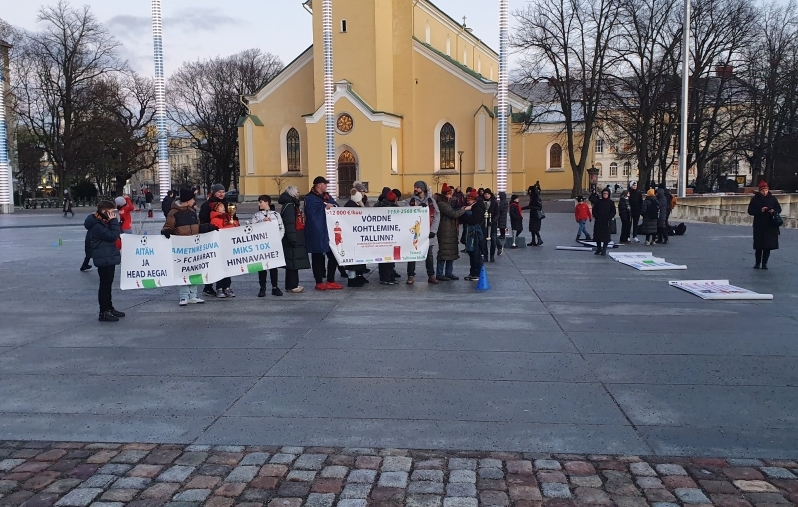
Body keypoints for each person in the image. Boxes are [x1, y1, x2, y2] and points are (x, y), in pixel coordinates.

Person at [161, 188, 206, 306]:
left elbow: (198, 226)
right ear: (187, 200)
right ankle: (184, 296)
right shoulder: (173, 213)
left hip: (194, 246)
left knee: (195, 270)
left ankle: (193, 295)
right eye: (193, 199)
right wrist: (166, 231)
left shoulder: (192, 212)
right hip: (181, 247)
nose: (194, 202)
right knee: (183, 271)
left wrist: (209, 228)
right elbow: (168, 226)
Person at [84, 200, 124, 322]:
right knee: (105, 285)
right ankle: (104, 311)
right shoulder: (97, 225)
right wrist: (114, 222)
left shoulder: (102, 222)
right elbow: (113, 235)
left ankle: (109, 308)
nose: (113, 214)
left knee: (108, 284)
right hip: (103, 257)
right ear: (103, 211)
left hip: (108, 256)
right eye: (110, 212)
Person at [305, 176, 344, 291]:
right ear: (318, 185)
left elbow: (336, 206)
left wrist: (330, 206)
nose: (326, 186)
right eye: (325, 184)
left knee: (333, 255)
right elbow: (311, 212)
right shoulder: (310, 198)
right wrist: (324, 207)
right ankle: (319, 282)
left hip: (328, 232)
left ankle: (330, 280)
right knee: (317, 256)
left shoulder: (326, 196)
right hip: (316, 231)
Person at [406, 181, 441, 284]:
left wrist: (433, 231)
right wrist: (416, 208)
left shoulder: (431, 201)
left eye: (417, 187)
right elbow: (404, 213)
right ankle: (410, 275)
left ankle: (431, 275)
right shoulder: (410, 201)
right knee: (412, 254)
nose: (415, 189)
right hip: (415, 234)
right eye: (414, 187)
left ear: (423, 189)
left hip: (428, 234)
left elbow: (436, 216)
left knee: (429, 255)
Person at [251, 195, 285, 297]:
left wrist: (277, 240)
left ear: (267, 202)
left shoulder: (276, 215)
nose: (259, 204)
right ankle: (262, 287)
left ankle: (275, 287)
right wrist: (262, 222)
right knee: (261, 267)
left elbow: (281, 228)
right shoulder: (257, 215)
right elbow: (252, 228)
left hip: (273, 244)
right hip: (261, 245)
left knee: (273, 266)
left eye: (261, 202)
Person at [278, 186, 310, 292]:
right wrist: (293, 238)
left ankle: (292, 285)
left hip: (295, 235)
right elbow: (289, 223)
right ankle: (292, 285)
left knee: (293, 262)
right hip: (293, 236)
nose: (298, 193)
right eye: (297, 192)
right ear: (293, 193)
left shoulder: (290, 205)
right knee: (292, 262)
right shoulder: (290, 206)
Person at [435, 184, 467, 281]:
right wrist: (464, 210)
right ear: (446, 195)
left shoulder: (446, 203)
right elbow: (453, 214)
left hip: (450, 230)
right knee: (443, 252)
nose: (451, 196)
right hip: (445, 231)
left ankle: (449, 273)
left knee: (451, 252)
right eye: (450, 194)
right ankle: (440, 273)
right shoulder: (441, 204)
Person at [200, 184, 228, 297]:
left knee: (225, 263)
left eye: (223, 192)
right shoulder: (207, 205)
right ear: (214, 193)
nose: (221, 194)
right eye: (219, 192)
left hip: (225, 238)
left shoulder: (227, 204)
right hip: (211, 238)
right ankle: (210, 286)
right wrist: (211, 228)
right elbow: (202, 222)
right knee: (212, 263)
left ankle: (225, 286)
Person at [748, 180, 781, 270]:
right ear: (759, 190)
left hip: (770, 225)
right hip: (759, 225)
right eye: (763, 190)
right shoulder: (755, 199)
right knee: (759, 246)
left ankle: (764, 264)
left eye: (766, 190)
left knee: (768, 246)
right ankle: (757, 263)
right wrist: (760, 211)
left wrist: (773, 211)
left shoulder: (772, 198)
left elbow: (778, 208)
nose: (764, 192)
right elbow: (750, 211)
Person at [210, 201, 239, 298]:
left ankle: (227, 287)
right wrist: (231, 226)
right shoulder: (214, 219)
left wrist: (234, 222)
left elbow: (236, 229)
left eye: (223, 206)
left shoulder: (228, 217)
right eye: (221, 206)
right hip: (220, 246)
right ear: (216, 209)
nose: (223, 208)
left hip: (228, 245)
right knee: (220, 267)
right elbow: (220, 231)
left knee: (228, 267)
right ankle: (219, 288)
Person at [342, 188, 369, 287]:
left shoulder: (352, 204)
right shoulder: (352, 206)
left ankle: (357, 276)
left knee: (357, 259)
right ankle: (352, 279)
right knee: (354, 260)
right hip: (353, 236)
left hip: (356, 236)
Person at [374, 191, 399, 285]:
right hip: (391, 237)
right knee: (390, 259)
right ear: (395, 199)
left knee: (383, 259)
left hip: (381, 237)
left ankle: (386, 277)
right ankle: (388, 278)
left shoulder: (378, 206)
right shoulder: (395, 208)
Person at [461, 190, 485, 281]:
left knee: (476, 254)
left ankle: (477, 273)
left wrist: (463, 213)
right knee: (471, 253)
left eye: (469, 199)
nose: (468, 201)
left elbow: (474, 221)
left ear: (474, 199)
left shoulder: (478, 208)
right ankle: (472, 272)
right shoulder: (473, 207)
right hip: (471, 234)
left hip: (475, 235)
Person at [592, 188, 616, 255]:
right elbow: (594, 210)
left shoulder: (611, 202)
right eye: (604, 193)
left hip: (606, 222)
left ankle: (604, 249)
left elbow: (613, 212)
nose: (605, 195)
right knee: (597, 236)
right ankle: (599, 248)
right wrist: (596, 216)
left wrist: (608, 217)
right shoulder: (598, 202)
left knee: (606, 237)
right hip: (598, 221)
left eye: (606, 194)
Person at [482, 188, 499, 262]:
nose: (486, 195)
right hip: (484, 225)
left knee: (494, 240)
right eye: (485, 194)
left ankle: (492, 255)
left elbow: (497, 213)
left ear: (490, 195)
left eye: (488, 194)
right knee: (484, 241)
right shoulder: (481, 202)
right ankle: (485, 255)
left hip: (493, 225)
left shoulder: (494, 203)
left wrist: (492, 221)